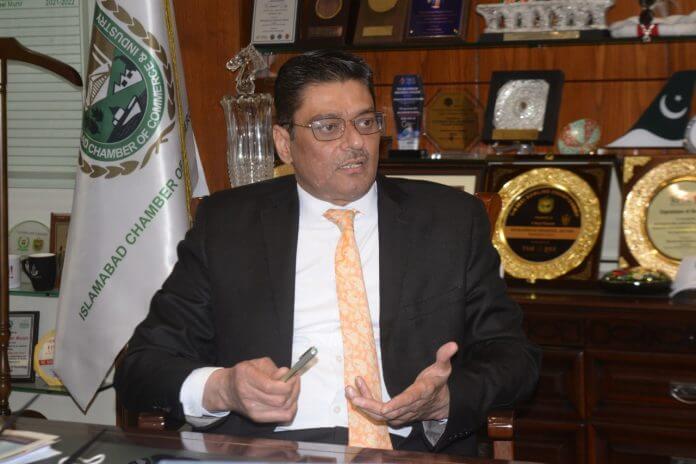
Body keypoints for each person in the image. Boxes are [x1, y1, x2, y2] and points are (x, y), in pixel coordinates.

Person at [115, 50, 541, 456]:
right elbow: (142, 366)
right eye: (328, 127)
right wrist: (223, 389)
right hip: (268, 452)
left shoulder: (450, 220)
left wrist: (445, 400)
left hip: (409, 450)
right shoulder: (227, 225)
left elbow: (514, 356)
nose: (355, 142)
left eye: (366, 122)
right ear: (284, 143)